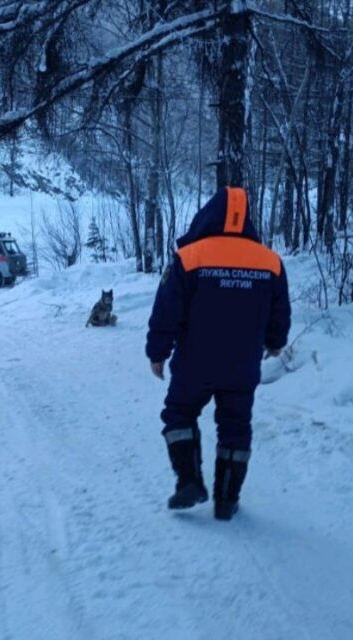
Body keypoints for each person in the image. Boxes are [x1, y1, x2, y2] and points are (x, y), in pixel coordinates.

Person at [146, 187, 291, 521]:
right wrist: (274, 342)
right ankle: (227, 500)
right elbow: (279, 312)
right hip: (242, 366)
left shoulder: (190, 257)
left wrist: (158, 351)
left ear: (209, 214)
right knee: (236, 427)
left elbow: (167, 309)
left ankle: (189, 481)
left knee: (179, 415)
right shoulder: (270, 262)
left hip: (195, 362)